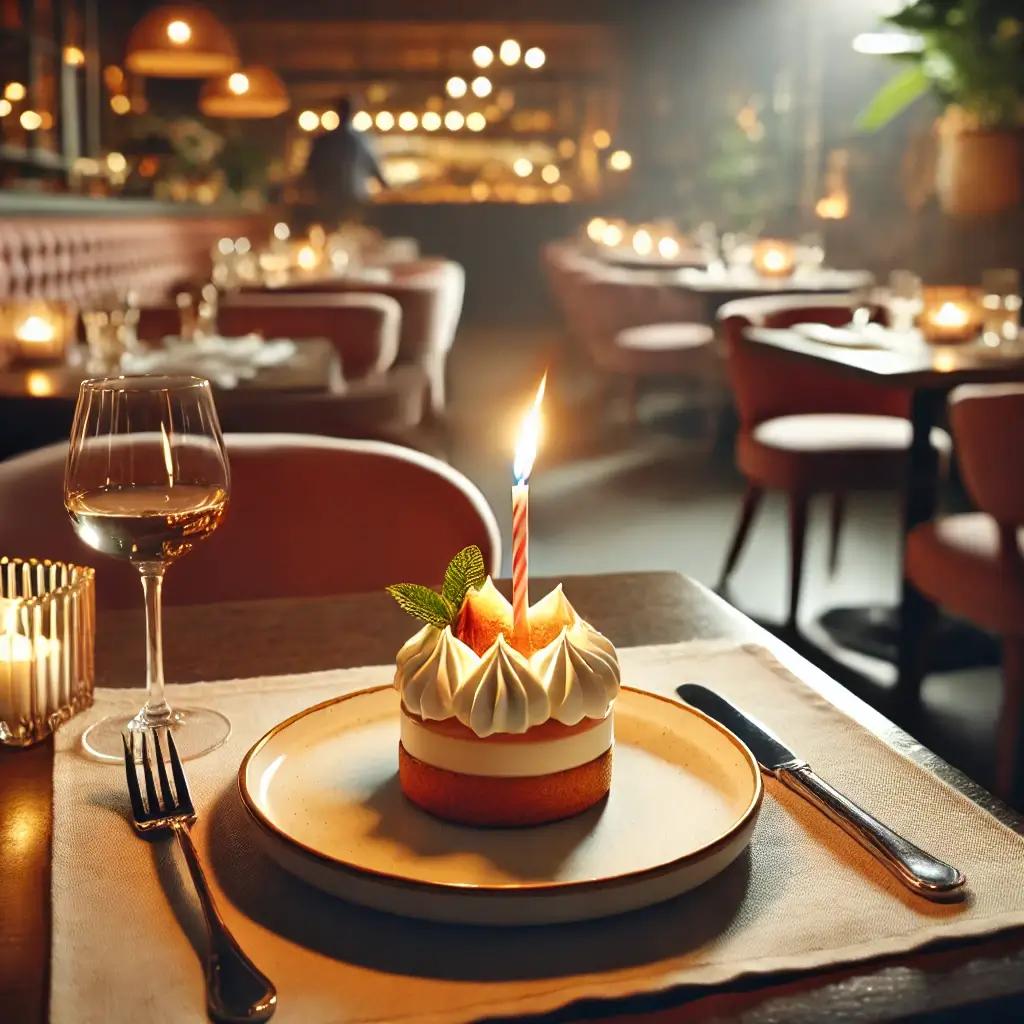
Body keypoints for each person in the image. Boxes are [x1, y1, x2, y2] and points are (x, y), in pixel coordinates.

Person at [302, 96, 386, 226]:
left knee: (334, 237)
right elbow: (374, 169)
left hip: (329, 200)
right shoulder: (362, 140)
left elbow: (309, 171)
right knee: (352, 235)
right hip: (352, 200)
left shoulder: (324, 140)